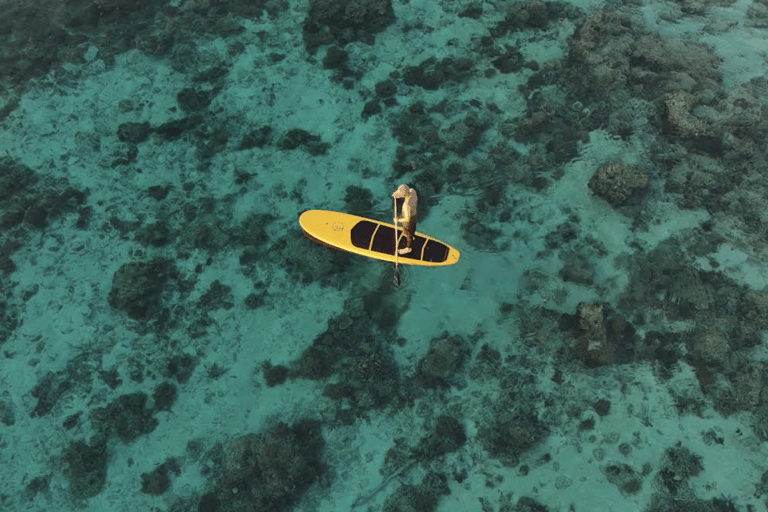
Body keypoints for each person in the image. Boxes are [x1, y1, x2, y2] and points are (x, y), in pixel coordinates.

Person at [392, 184, 418, 254]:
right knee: (411, 230)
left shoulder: (407, 205)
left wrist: (398, 220)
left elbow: (407, 219)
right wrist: (396, 194)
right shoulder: (412, 191)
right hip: (414, 215)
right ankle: (411, 236)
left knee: (408, 233)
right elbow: (404, 193)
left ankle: (408, 248)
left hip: (409, 220)